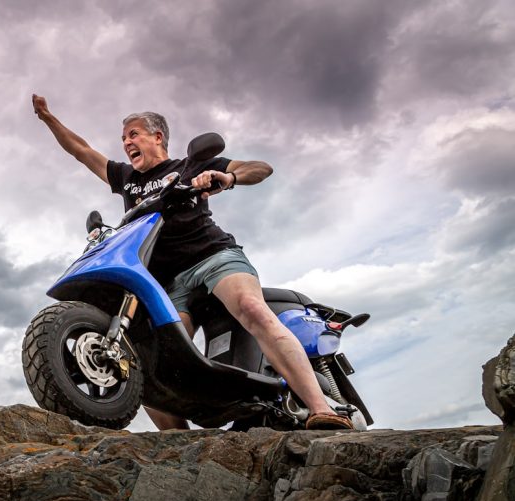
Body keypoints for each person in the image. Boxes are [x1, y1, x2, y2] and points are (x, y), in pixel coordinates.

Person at [31, 93, 352, 431]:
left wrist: (227, 178)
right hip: (167, 283)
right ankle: (181, 446)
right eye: (124, 138)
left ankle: (320, 409)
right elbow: (81, 151)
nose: (127, 142)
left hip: (212, 256)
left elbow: (260, 168)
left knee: (252, 309)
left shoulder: (189, 166)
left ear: (158, 137)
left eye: (134, 134)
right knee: (152, 359)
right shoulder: (127, 179)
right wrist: (48, 118)